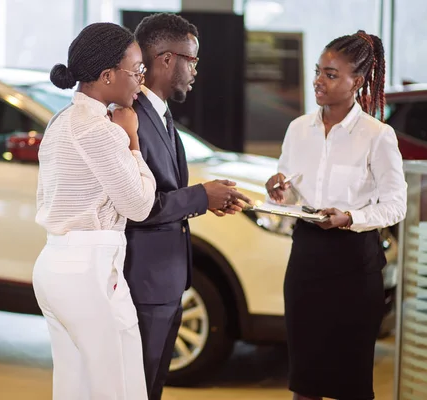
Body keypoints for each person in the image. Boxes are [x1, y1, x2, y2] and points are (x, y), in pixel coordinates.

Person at [265, 30, 407, 400]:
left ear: (356, 82)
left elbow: (395, 204)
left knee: (350, 382)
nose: (318, 81)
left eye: (330, 74)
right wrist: (279, 189)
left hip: (354, 265)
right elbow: (288, 189)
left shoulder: (377, 135)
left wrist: (350, 217)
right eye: (318, 71)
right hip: (306, 261)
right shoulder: (298, 130)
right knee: (304, 378)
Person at [124, 13, 252, 400]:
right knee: (137, 388)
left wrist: (208, 200)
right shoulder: (132, 119)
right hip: (143, 281)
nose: (196, 70)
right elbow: (139, 205)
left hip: (167, 280)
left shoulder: (160, 115)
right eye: (192, 60)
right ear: (165, 59)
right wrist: (200, 196)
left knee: (152, 387)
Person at [33, 22, 156, 400]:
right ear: (107, 76)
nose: (141, 81)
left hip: (62, 264)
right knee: (112, 387)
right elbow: (139, 206)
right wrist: (133, 139)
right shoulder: (97, 130)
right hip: (86, 270)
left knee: (77, 385)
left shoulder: (63, 120)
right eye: (137, 71)